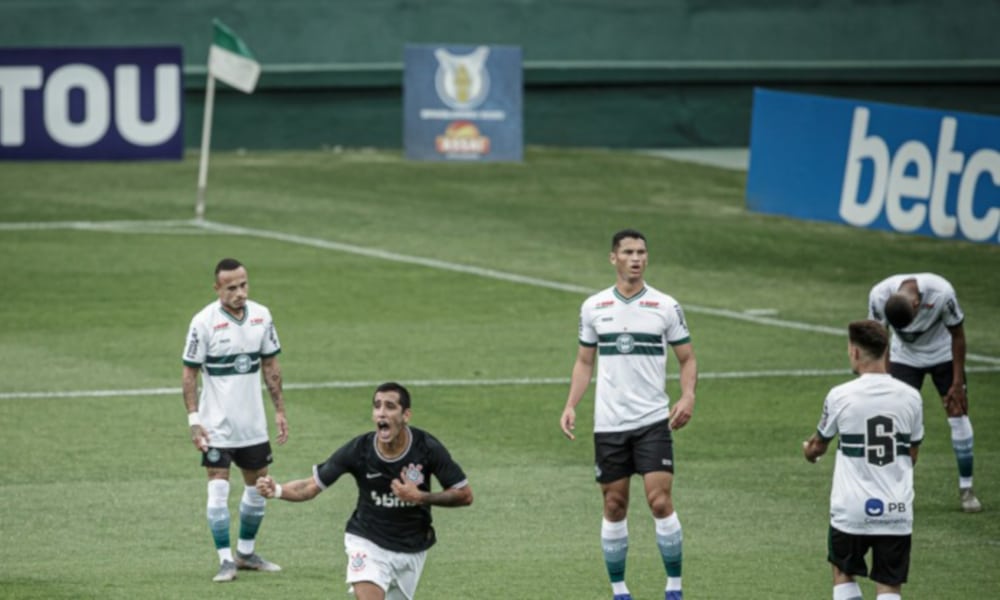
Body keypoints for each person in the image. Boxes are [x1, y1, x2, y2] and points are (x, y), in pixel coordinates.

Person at [559, 229, 698, 600]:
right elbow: (584, 362)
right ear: (613, 258)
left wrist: (687, 396)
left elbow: (687, 358)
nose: (636, 258)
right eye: (629, 252)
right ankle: (620, 591)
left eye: (642, 252)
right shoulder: (594, 307)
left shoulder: (666, 306)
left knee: (660, 501)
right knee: (614, 505)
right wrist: (571, 404)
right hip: (608, 424)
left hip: (653, 421)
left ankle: (674, 587)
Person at [256, 382, 473, 600]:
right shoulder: (359, 450)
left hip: (412, 546)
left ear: (406, 415)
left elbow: (464, 494)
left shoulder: (426, 447)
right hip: (367, 540)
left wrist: (420, 497)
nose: (382, 413)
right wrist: (276, 490)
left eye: (390, 406)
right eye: (377, 406)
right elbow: (310, 486)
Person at [182, 257, 289, 582]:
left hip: (252, 425)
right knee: (217, 487)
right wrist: (194, 420)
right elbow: (189, 375)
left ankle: (245, 553)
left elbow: (271, 368)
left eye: (243, 285)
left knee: (259, 489)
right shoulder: (203, 322)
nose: (240, 292)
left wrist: (280, 410)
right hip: (216, 426)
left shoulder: (262, 316)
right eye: (231, 288)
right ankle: (225, 560)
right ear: (217, 289)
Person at [804, 320, 924, 600]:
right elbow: (912, 455)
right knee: (889, 585)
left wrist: (808, 452)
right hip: (896, 508)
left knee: (843, 573)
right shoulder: (912, 398)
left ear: (855, 353)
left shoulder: (840, 395)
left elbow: (818, 446)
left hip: (852, 510)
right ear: (887, 351)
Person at [867, 273, 981, 513]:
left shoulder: (942, 293)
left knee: (957, 413)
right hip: (904, 357)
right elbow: (881, 340)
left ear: (918, 304)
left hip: (943, 355)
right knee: (892, 421)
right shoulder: (878, 296)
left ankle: (966, 489)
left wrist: (958, 381)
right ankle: (891, 490)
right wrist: (885, 380)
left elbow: (958, 335)